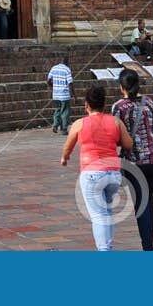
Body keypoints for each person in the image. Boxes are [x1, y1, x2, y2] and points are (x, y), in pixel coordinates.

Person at [59, 85, 135, 252]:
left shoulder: (79, 124)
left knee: (98, 215)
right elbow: (128, 144)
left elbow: (67, 147)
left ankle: (103, 250)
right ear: (104, 104)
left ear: (86, 105)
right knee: (107, 213)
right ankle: (107, 246)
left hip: (92, 174)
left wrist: (65, 158)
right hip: (113, 174)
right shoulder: (115, 121)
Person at [113, 69, 153, 251]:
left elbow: (116, 136)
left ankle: (148, 247)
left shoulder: (119, 107)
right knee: (147, 198)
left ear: (121, 87)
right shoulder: (150, 103)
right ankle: (148, 244)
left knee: (142, 204)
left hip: (136, 162)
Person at [47, 54, 74, 133]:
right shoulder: (67, 69)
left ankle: (55, 125)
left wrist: (53, 87)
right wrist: (74, 95)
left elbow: (48, 80)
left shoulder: (54, 68)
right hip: (64, 95)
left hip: (56, 95)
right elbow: (70, 84)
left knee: (58, 110)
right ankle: (64, 129)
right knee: (65, 111)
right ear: (67, 61)